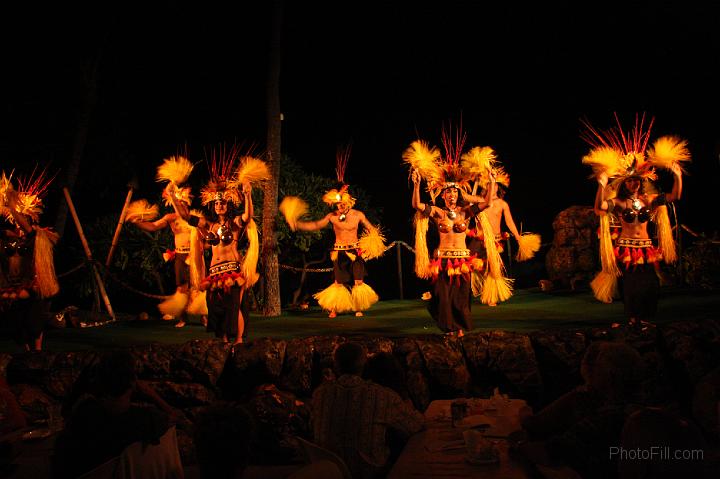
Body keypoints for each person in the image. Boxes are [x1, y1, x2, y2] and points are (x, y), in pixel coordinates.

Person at [582, 114, 688, 329]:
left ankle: (645, 318)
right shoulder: (620, 202)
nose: (633, 184)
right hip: (627, 248)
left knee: (650, 285)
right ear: (625, 183)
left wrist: (678, 176)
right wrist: (601, 185)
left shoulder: (649, 200)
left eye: (636, 181)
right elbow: (599, 208)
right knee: (630, 286)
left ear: (641, 182)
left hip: (647, 248)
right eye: (630, 181)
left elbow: (675, 196)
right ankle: (632, 319)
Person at [172, 148, 268, 345]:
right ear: (213, 206)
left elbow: (248, 216)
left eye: (223, 203)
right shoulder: (209, 225)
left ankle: (239, 340)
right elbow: (185, 216)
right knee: (217, 309)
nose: (219, 206)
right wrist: (173, 198)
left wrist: (248, 195)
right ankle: (224, 341)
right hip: (215, 273)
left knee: (235, 306)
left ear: (228, 205)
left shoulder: (233, 224)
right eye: (217, 204)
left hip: (233, 270)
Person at [404, 136, 495, 336]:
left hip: (462, 259)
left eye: (454, 191)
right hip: (443, 260)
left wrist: (491, 181)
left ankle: (459, 327)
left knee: (461, 298)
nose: (452, 195)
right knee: (443, 297)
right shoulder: (438, 212)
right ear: (443, 195)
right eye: (448, 192)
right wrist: (417, 185)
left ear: (458, 194)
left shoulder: (466, 212)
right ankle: (448, 326)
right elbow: (416, 205)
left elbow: (487, 203)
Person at [280, 146, 386, 318]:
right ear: (336, 204)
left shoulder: (358, 215)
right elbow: (315, 225)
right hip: (339, 252)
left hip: (355, 251)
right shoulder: (332, 217)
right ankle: (334, 308)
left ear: (349, 201)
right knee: (338, 282)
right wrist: (297, 224)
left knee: (358, 281)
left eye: (343, 203)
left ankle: (358, 307)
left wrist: (371, 244)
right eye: (338, 204)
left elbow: (372, 229)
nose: (341, 206)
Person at [517, 341, 645, 479]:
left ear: (610, 376)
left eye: (597, 368)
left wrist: (518, 444)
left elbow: (550, 452)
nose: (593, 372)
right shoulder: (644, 411)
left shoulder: (607, 418)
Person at [52, 350, 179, 479]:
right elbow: (174, 417)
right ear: (133, 381)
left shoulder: (84, 412)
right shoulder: (143, 419)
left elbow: (66, 412)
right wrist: (152, 395)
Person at [312, 342, 424, 479]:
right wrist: (406, 399)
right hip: (372, 474)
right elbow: (417, 425)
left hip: (326, 473)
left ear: (335, 366)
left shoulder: (320, 395)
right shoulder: (382, 396)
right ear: (364, 365)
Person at [126, 155, 206, 328]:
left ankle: (204, 317)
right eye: (179, 201)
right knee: (181, 288)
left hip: (195, 255)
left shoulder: (195, 217)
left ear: (187, 202)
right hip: (180, 255)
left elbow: (205, 237)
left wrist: (201, 250)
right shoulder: (170, 217)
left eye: (183, 201)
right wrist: (137, 221)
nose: (181, 204)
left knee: (199, 287)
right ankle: (183, 318)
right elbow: (153, 226)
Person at [0, 170, 59, 351]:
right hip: (15, 285)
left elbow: (27, 229)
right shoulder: (9, 238)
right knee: (17, 326)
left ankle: (37, 352)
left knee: (34, 324)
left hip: (36, 287)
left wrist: (11, 206)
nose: (18, 223)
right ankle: (27, 354)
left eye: (22, 219)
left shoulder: (39, 236)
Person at [466, 164, 541, 306]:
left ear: (497, 187)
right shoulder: (480, 201)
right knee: (473, 267)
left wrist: (518, 237)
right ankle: (472, 289)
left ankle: (491, 296)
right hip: (479, 240)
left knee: (493, 268)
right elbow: (467, 198)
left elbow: (509, 222)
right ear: (486, 187)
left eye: (494, 185)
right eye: (489, 185)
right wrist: (470, 182)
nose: (492, 188)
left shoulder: (502, 204)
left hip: (495, 241)